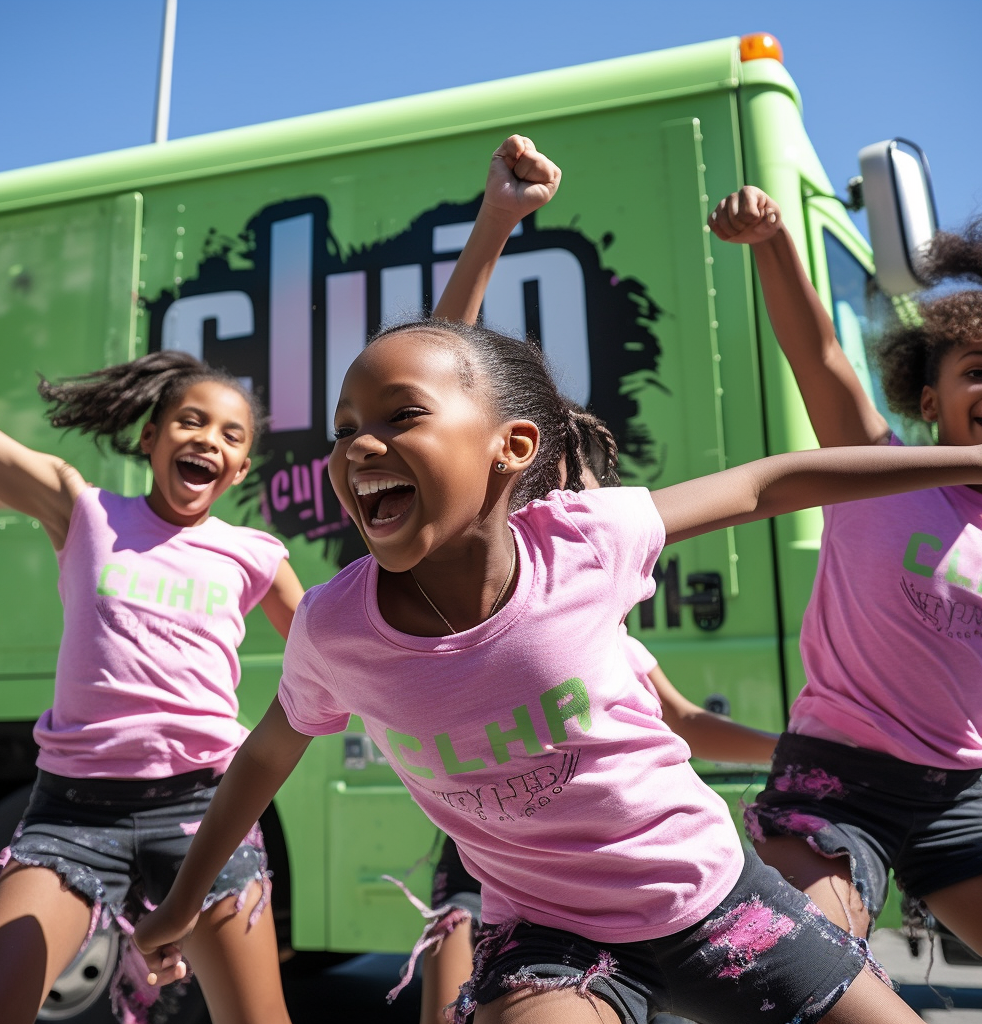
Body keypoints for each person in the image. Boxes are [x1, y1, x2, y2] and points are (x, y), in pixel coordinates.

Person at [133, 288, 982, 1022]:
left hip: (715, 898)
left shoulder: (584, 544)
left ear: (514, 448)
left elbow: (773, 482)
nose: (358, 446)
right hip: (549, 940)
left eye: (402, 417)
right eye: (345, 427)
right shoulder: (336, 629)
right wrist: (179, 903)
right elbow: (265, 756)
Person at [417, 165, 777, 1021]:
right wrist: (496, 222)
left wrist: (798, 751)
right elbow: (438, 364)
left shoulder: (604, 630)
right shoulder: (458, 567)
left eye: (576, 493)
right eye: (540, 489)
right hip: (493, 873)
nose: (561, 512)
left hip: (624, 891)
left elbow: (688, 722)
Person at [0, 352, 303, 1024]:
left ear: (238, 468)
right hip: (72, 819)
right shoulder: (84, 512)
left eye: (231, 436)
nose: (209, 440)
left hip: (205, 816)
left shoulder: (255, 553)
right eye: (191, 422)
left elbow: (337, 653)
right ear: (152, 437)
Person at [707, 186, 982, 954]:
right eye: (979, 369)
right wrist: (772, 241)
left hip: (961, 795)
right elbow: (819, 353)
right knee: (810, 967)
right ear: (931, 397)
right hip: (837, 786)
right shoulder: (878, 470)